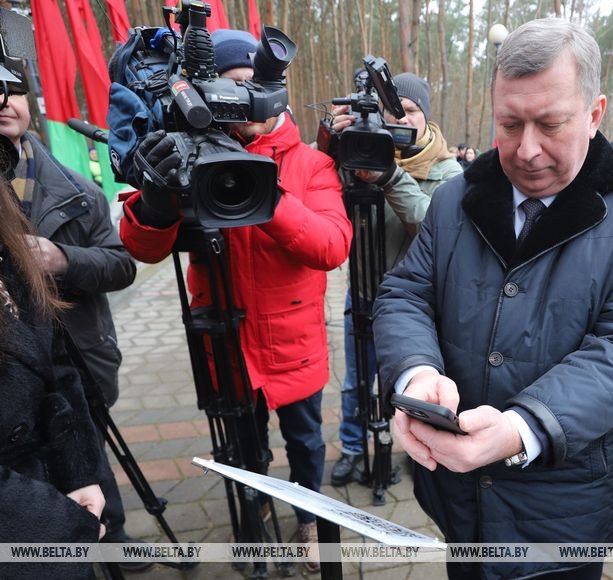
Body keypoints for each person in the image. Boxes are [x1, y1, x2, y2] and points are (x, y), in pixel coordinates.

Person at [372, 18, 613, 580]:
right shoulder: (453, 199)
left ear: (594, 112)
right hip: (457, 496)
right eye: (509, 124)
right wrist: (415, 373)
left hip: (561, 512)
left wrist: (523, 428)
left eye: (551, 124)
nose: (527, 149)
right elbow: (406, 293)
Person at [118, 29, 352, 573]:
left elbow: (332, 246)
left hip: (294, 344)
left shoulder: (311, 165)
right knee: (244, 449)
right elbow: (141, 250)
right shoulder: (186, 151)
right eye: (226, 89)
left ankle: (310, 516)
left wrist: (265, 192)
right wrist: (156, 202)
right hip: (226, 340)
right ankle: (254, 512)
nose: (240, 102)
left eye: (251, 87)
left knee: (305, 441)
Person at [0, 58, 141, 562]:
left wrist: (63, 259)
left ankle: (112, 538)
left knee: (88, 451)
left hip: (82, 354)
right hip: (13, 387)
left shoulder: (77, 189)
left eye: (16, 91)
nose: (6, 103)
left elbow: (122, 265)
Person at [328, 72, 463, 487]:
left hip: (416, 306)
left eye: (409, 111)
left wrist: (389, 176)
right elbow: (329, 201)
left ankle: (410, 450)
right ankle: (353, 447)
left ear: (426, 117)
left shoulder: (448, 170)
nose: (400, 120)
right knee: (354, 384)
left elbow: (431, 224)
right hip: (363, 290)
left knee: (412, 384)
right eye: (391, 112)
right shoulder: (359, 156)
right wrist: (332, 144)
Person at [0, 132, 107, 580]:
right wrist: (60, 525)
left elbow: (52, 368)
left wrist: (77, 472)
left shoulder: (13, 234)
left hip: (50, 491)